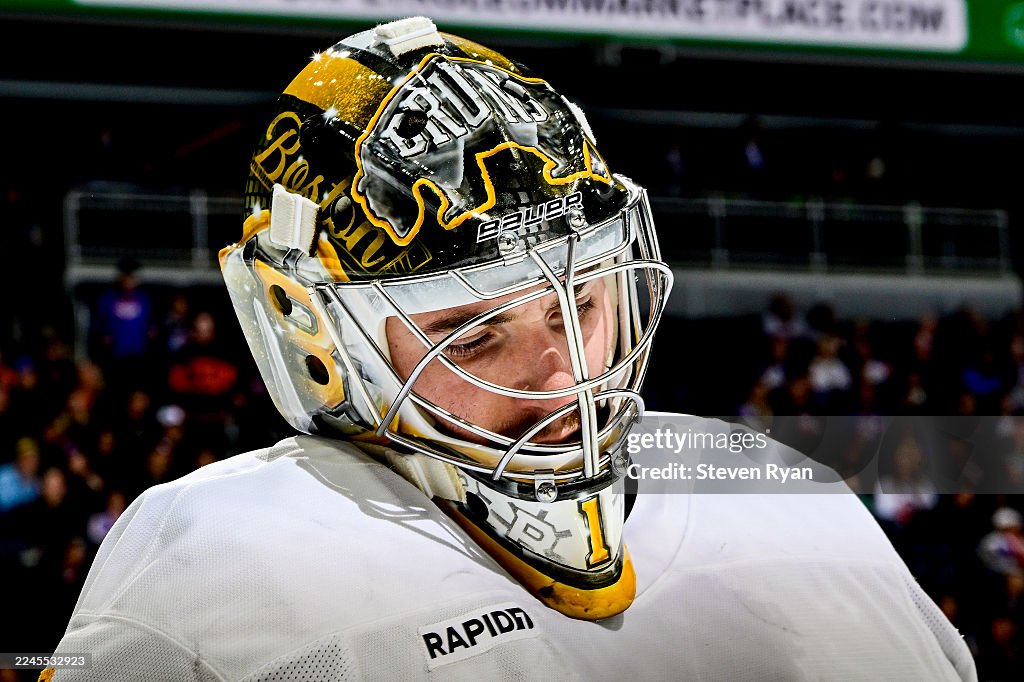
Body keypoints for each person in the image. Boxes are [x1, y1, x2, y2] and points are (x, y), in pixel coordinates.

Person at [44, 18, 976, 680]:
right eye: (479, 332)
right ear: (316, 332)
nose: (566, 372)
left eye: (584, 300)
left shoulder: (776, 483)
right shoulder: (217, 568)